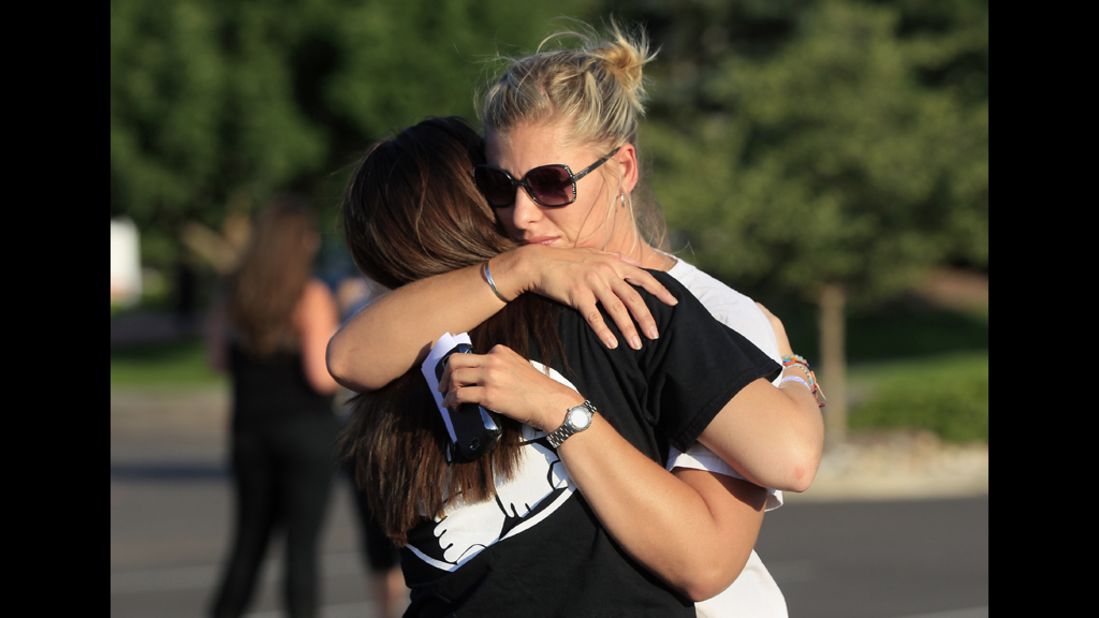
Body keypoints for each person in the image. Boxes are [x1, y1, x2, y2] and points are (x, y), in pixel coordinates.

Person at [328, 22, 824, 617]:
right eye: (498, 185)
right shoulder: (497, 292)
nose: (522, 214)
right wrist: (522, 270)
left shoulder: (695, 310)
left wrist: (794, 370)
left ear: (624, 170)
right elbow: (347, 357)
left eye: (550, 184)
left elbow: (726, 538)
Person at [205, 197, 342, 618]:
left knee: (248, 544)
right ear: (295, 242)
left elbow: (219, 361)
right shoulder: (310, 294)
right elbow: (322, 374)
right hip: (306, 432)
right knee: (301, 549)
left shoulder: (233, 293)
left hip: (249, 431)